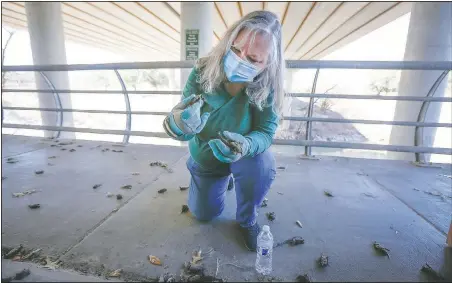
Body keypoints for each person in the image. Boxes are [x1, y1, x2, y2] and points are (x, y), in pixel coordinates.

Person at [163, 10, 284, 251]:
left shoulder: (267, 86)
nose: (240, 60)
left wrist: (247, 145)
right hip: (206, 156)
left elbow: (265, 130)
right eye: (236, 50)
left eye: (253, 59)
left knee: (262, 163)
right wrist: (178, 124)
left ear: (268, 63)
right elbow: (184, 125)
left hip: (244, 157)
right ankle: (219, 179)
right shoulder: (202, 71)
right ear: (228, 41)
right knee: (203, 214)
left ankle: (247, 219)